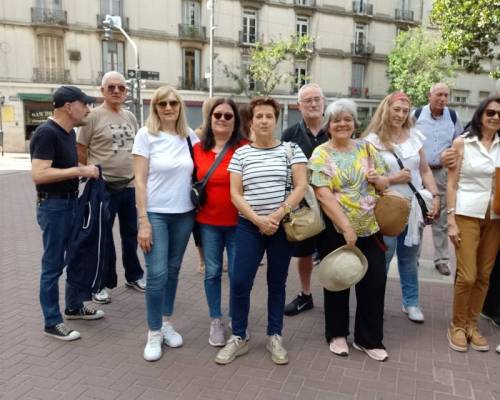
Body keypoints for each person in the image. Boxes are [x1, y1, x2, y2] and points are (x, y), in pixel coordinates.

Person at [215, 96, 308, 365]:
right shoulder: (241, 154)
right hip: (248, 227)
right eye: (259, 117)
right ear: (251, 122)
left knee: (277, 283)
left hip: (281, 227)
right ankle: (239, 337)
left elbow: (301, 186)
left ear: (276, 119)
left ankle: (274, 335)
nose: (264, 120)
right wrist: (257, 220)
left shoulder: (291, 151)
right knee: (240, 281)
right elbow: (235, 193)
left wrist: (276, 216)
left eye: (269, 116)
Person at [310, 99, 390, 361]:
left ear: (355, 123)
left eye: (348, 119)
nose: (343, 124)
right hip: (336, 229)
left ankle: (369, 339)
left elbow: (385, 181)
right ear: (328, 125)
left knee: (374, 283)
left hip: (370, 226)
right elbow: (322, 194)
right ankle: (337, 334)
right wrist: (346, 228)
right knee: (338, 281)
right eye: (336, 120)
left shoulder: (367, 149)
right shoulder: (321, 153)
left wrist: (380, 180)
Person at [30, 85, 104, 341]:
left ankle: (73, 307)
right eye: (83, 104)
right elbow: (39, 174)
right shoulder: (46, 133)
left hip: (71, 203)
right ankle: (51, 322)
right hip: (53, 206)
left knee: (76, 256)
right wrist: (79, 171)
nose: (87, 108)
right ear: (68, 106)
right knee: (52, 265)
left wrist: (85, 167)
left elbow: (67, 165)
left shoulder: (69, 132)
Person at [132, 86, 199, 361]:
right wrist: (143, 220)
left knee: (172, 270)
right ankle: (154, 331)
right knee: (157, 274)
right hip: (156, 214)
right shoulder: (146, 135)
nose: (168, 107)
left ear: (180, 106)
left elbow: (209, 158)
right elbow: (139, 180)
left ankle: (166, 321)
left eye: (173, 103)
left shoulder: (189, 136)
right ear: (155, 107)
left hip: (184, 213)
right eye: (162, 103)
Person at [364, 92, 439, 323]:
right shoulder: (372, 140)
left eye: (405, 111)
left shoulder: (415, 136)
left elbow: (425, 170)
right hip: (387, 208)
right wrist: (396, 178)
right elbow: (369, 178)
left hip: (414, 207)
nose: (400, 115)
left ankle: (411, 303)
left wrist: (435, 196)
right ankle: (375, 303)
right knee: (384, 258)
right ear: (386, 108)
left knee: (409, 258)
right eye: (396, 109)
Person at [77, 71, 145, 305]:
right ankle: (102, 283)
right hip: (103, 188)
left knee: (131, 234)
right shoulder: (93, 117)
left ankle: (134, 275)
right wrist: (89, 172)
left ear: (126, 92)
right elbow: (81, 147)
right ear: (102, 91)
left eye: (121, 88)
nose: (117, 91)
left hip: (128, 186)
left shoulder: (130, 117)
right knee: (102, 237)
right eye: (111, 87)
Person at [446, 95, 500, 352]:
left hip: (496, 218)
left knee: (483, 276)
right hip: (467, 214)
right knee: (467, 276)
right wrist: (451, 219)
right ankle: (456, 325)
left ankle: (472, 325)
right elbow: (452, 183)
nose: (495, 117)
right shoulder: (463, 143)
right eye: (490, 112)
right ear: (480, 115)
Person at [193, 98, 248, 347]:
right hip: (208, 223)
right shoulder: (197, 149)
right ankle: (216, 320)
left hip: (240, 223)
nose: (222, 119)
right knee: (212, 273)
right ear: (210, 118)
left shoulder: (245, 148)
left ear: (235, 121)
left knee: (238, 275)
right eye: (218, 115)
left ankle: (237, 321)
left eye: (228, 116)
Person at [282, 83, 329, 316]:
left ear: (323, 103)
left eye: (316, 99)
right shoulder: (289, 135)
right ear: (299, 106)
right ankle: (305, 294)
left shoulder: (335, 129)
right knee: (303, 253)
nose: (312, 104)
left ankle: (334, 297)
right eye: (307, 100)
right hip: (304, 206)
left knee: (333, 250)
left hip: (333, 204)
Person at [413, 83, 463, 276]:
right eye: (439, 95)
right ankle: (413, 257)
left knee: (441, 217)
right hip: (419, 171)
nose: (443, 99)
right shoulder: (416, 115)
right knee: (417, 213)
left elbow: (460, 141)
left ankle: (442, 259)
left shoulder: (452, 116)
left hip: (442, 172)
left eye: (446, 95)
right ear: (429, 95)